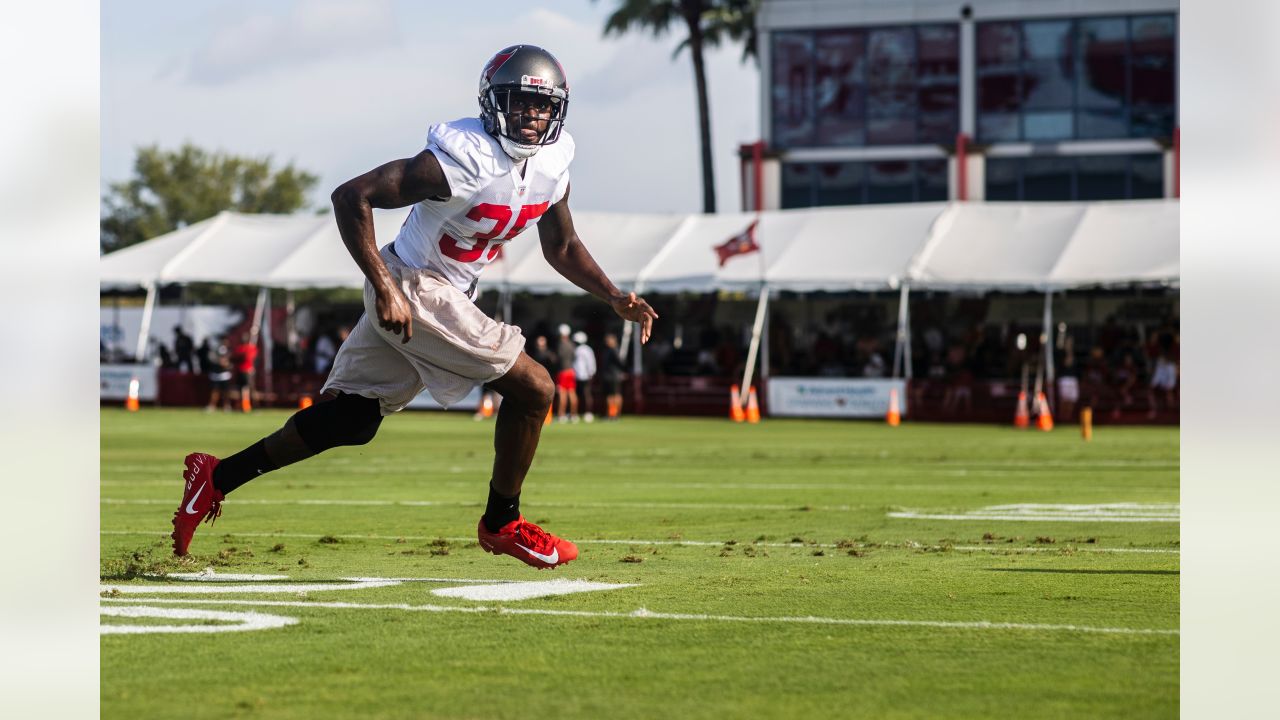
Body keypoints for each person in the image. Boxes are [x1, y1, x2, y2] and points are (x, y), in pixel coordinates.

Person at [171, 45, 658, 570]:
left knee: (352, 421)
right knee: (535, 387)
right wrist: (384, 286)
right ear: (494, 104)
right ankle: (502, 523)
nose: (532, 116)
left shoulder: (554, 163)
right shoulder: (464, 155)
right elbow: (349, 196)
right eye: (519, 103)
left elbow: (561, 245)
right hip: (413, 284)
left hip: (443, 294)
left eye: (542, 106)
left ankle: (216, 477)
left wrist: (612, 295)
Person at [572, 331, 597, 422]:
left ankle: (588, 413)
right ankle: (576, 413)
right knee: (577, 395)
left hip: (585, 375)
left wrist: (591, 373)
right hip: (576, 375)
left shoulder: (587, 349)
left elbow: (591, 362)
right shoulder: (576, 349)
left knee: (586, 394)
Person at [554, 323, 577, 422]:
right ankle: (573, 415)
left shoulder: (560, 344)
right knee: (572, 393)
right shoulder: (572, 344)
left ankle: (561, 415)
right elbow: (574, 357)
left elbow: (558, 358)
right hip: (571, 371)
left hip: (563, 371)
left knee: (562, 394)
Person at [600, 333, 625, 420]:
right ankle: (613, 414)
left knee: (612, 396)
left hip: (612, 376)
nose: (606, 342)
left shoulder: (613, 350)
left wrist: (623, 371)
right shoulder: (610, 350)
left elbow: (620, 363)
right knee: (614, 395)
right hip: (612, 375)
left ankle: (612, 414)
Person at [231, 333, 258, 412]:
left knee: (248, 389)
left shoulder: (248, 348)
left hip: (247, 371)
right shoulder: (246, 348)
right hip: (243, 371)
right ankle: (245, 406)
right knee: (244, 389)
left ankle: (252, 406)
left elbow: (249, 358)